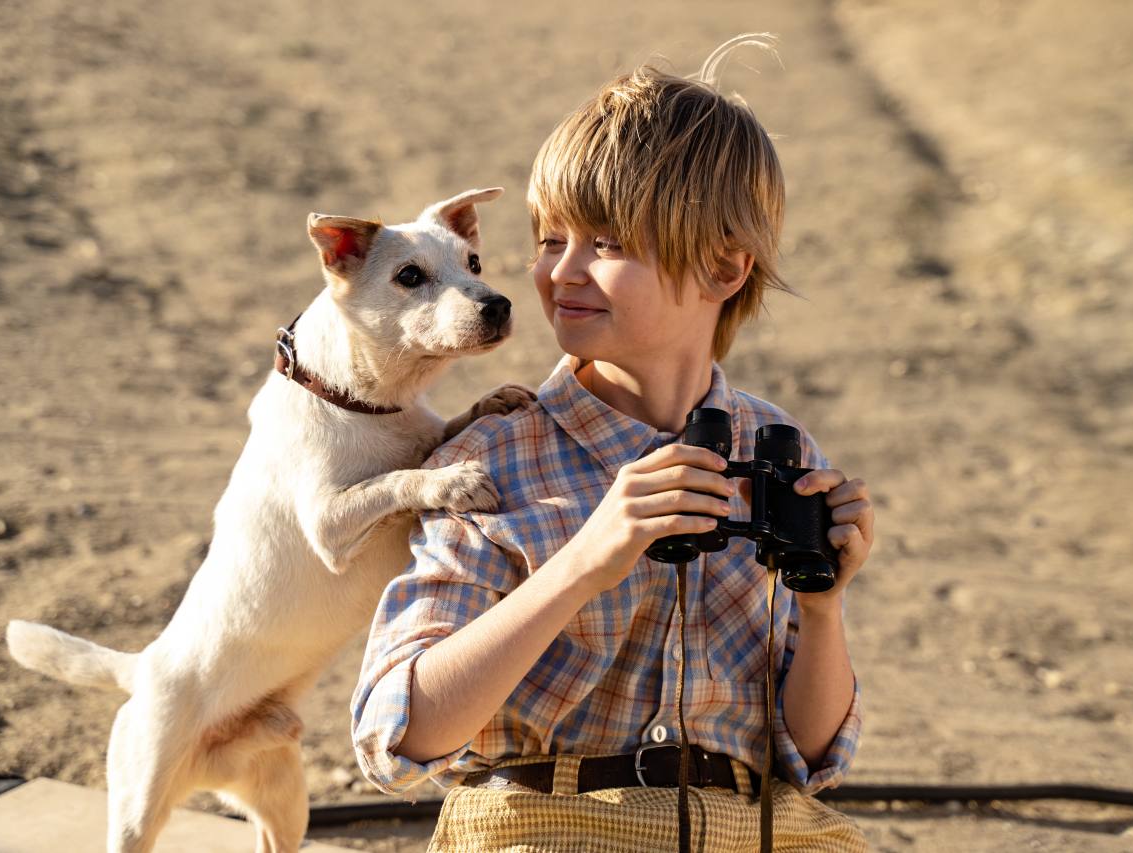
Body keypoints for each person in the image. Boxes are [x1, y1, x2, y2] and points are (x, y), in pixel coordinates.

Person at [351, 34, 875, 852]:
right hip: (548, 826)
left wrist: (824, 601)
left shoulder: (779, 453)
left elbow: (809, 754)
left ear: (723, 269)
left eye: (607, 243)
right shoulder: (492, 458)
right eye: (550, 239)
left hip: (759, 829)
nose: (562, 272)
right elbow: (400, 730)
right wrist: (587, 557)